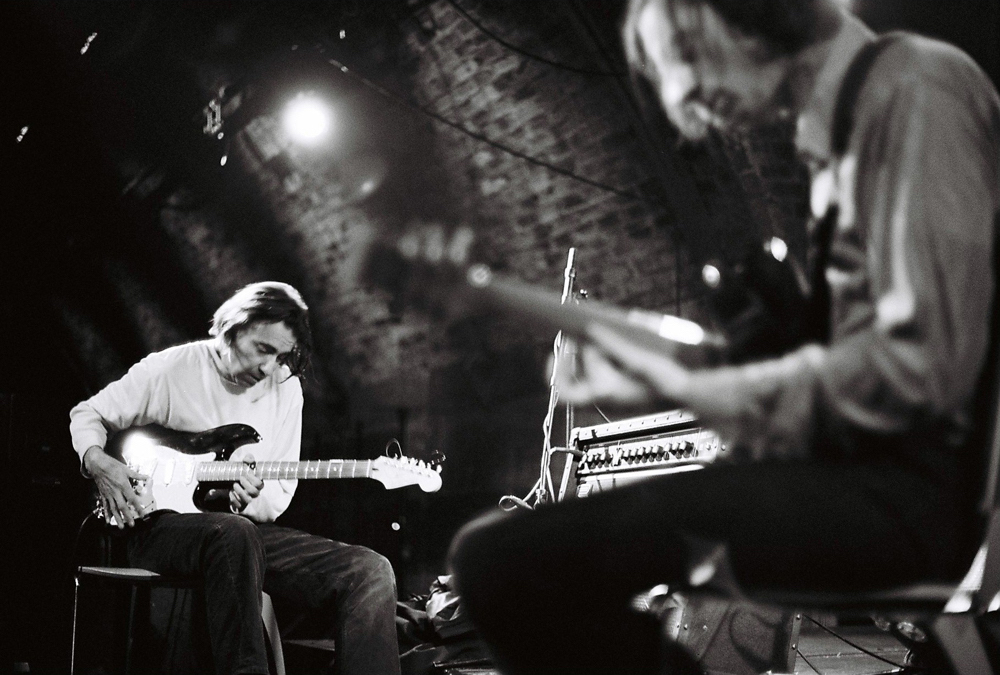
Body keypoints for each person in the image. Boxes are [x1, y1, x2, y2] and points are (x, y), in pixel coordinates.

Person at [447, 0, 1000, 673]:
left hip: (901, 502)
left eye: (683, 54)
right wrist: (661, 370)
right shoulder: (845, 138)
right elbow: (820, 362)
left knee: (503, 562)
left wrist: (701, 383)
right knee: (503, 554)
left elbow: (922, 370)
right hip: (863, 482)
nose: (683, 98)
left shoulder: (914, 88)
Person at [70, 281, 401, 675]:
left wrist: (244, 499)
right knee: (234, 533)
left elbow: (278, 494)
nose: (268, 367)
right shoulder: (172, 367)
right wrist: (99, 462)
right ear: (231, 326)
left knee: (370, 570)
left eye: (281, 355)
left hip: (243, 535)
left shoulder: (285, 389)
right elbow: (88, 413)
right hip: (157, 529)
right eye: (263, 349)